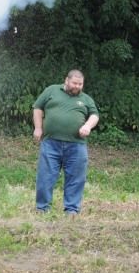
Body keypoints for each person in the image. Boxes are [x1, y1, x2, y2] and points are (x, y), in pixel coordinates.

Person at [32, 69, 99, 216]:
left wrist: (87, 126)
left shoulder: (86, 99)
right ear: (66, 80)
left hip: (76, 145)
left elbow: (94, 115)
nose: (77, 86)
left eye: (80, 84)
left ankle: (72, 210)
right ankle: (42, 208)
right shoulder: (51, 90)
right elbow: (37, 107)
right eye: (74, 83)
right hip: (51, 143)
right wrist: (38, 128)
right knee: (45, 176)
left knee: (76, 178)